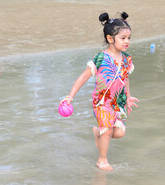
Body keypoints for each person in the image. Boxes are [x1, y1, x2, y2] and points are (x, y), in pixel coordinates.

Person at [60, 12, 139, 171]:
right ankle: (102, 160)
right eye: (123, 38)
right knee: (108, 129)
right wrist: (70, 96)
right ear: (110, 39)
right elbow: (83, 77)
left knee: (119, 133)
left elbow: (126, 78)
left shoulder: (127, 59)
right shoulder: (101, 58)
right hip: (102, 102)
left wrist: (128, 97)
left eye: (129, 38)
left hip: (119, 102)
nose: (127, 41)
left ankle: (98, 132)